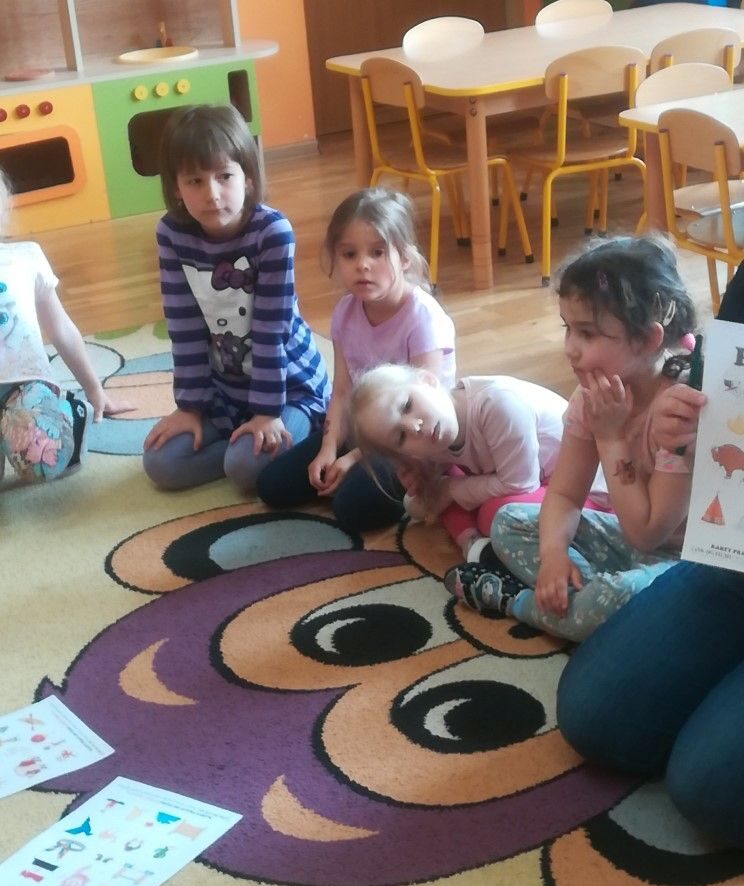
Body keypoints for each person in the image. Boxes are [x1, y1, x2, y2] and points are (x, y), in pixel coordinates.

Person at [445, 234, 698, 642]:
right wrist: (553, 556)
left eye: (588, 333)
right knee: (510, 520)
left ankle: (516, 602)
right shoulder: (591, 397)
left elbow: (647, 533)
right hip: (623, 540)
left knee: (626, 596)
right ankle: (582, 599)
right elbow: (563, 496)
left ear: (649, 339)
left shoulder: (680, 410)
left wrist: (610, 437)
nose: (570, 349)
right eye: (568, 329)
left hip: (684, 562)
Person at [557, 387, 744, 848]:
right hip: (731, 560)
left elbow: (646, 528)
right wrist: (684, 433)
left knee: (709, 787)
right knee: (594, 716)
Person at [143, 104, 330, 494]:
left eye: (224, 176)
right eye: (195, 181)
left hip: (289, 387)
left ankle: (306, 434)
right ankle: (243, 451)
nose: (212, 195)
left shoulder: (272, 232)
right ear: (176, 188)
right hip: (225, 390)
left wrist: (266, 413)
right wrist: (190, 408)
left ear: (247, 177)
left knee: (245, 468)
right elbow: (183, 326)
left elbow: (271, 332)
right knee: (160, 464)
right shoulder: (171, 234)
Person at [256, 187, 455, 532]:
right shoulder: (345, 312)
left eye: (378, 252)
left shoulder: (422, 317)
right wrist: (329, 449)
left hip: (410, 438)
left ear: (404, 257)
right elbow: (343, 391)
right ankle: (347, 477)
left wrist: (350, 459)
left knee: (351, 509)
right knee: (271, 486)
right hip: (364, 428)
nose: (363, 265)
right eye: (350, 254)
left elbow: (425, 409)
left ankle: (417, 489)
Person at [348, 362, 581, 555]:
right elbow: (421, 504)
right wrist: (425, 480)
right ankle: (474, 545)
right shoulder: (435, 433)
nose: (415, 426)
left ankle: (474, 540)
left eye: (407, 406)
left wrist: (450, 490)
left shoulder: (498, 405)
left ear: (428, 380)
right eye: (401, 436)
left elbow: (520, 484)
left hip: (575, 491)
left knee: (495, 514)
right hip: (516, 479)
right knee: (423, 498)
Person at [0, 169, 133, 484]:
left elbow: (61, 329)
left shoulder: (25, 257)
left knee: (44, 461)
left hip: (24, 387)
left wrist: (95, 390)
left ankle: (72, 412)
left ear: (6, 206)